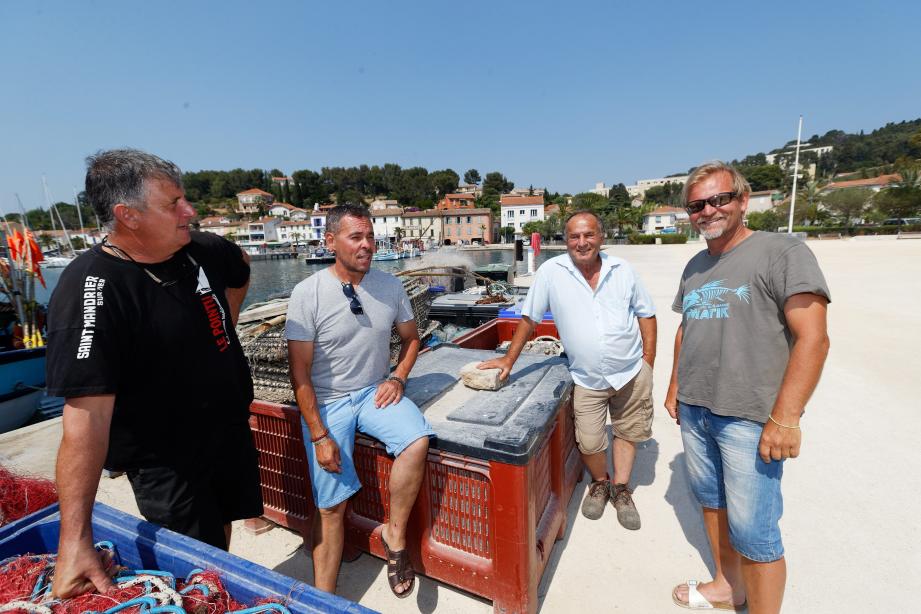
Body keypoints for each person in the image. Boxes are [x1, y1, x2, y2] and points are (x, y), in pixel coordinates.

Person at [47, 149, 261, 598]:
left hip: (226, 430)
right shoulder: (91, 289)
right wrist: (75, 539)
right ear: (128, 216)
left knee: (219, 540)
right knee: (191, 560)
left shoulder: (200, 249)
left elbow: (240, 265)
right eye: (173, 204)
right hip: (166, 461)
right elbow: (85, 419)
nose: (190, 211)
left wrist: (224, 324)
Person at [665, 161, 830, 614]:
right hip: (696, 409)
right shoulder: (696, 265)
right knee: (712, 503)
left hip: (750, 415)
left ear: (742, 200)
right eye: (697, 205)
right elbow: (686, 328)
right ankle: (725, 586)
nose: (708, 211)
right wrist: (676, 384)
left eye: (719, 199)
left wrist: (786, 418)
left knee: (756, 531)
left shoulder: (782, 251)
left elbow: (814, 337)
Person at [285, 204, 434, 598]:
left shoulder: (390, 286)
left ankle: (394, 536)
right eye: (356, 237)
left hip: (373, 391)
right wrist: (318, 435)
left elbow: (412, 338)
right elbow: (299, 373)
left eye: (369, 236)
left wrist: (398, 376)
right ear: (330, 241)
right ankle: (324, 600)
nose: (366, 245)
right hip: (328, 400)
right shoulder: (308, 293)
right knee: (331, 508)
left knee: (417, 439)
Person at [478, 210, 657, 529]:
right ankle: (600, 482)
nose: (581, 242)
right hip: (586, 377)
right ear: (565, 240)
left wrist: (649, 362)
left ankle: (622, 489)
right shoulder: (551, 272)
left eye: (588, 235)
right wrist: (509, 360)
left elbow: (646, 314)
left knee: (628, 432)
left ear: (601, 237)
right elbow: (530, 318)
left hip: (630, 371)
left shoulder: (623, 270)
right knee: (589, 441)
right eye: (574, 236)